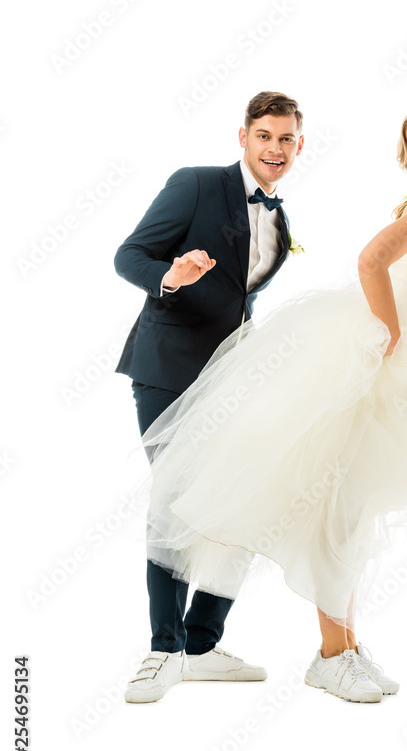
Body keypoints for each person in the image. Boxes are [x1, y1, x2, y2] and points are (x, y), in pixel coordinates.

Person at [140, 101, 407, 704]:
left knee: (354, 509)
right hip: (373, 361)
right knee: (333, 505)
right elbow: (371, 260)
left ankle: (345, 647)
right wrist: (391, 334)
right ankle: (316, 653)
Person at [113, 90, 304, 703]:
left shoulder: (280, 217)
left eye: (285, 139)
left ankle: (201, 643)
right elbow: (130, 254)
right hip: (168, 366)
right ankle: (162, 650)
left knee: (248, 500)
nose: (274, 149)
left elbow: (239, 298)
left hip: (233, 378)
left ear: (299, 146)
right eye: (264, 136)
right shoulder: (195, 184)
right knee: (175, 499)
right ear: (243, 137)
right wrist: (169, 275)